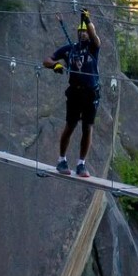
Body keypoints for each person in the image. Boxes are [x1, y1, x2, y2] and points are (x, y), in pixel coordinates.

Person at [44, 11, 101, 178]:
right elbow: (46, 60)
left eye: (85, 31)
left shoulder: (93, 47)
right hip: (75, 93)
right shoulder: (70, 49)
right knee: (70, 126)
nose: (83, 33)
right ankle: (62, 160)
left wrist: (87, 20)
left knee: (87, 128)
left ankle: (81, 164)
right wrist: (55, 65)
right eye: (80, 31)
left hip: (91, 93)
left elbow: (94, 35)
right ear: (77, 33)